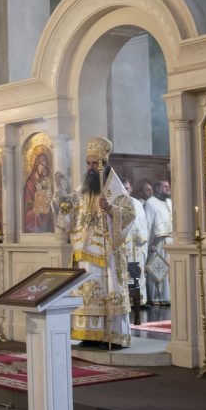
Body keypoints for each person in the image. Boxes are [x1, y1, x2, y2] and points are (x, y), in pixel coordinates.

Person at [57, 137, 135, 348]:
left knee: (108, 291)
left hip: (106, 255)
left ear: (105, 163)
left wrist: (110, 208)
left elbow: (129, 214)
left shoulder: (116, 190)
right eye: (89, 163)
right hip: (84, 254)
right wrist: (62, 199)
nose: (91, 168)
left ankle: (112, 336)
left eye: (96, 163)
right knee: (86, 293)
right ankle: (89, 335)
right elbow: (69, 210)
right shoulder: (82, 188)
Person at [145, 179, 173, 305]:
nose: (168, 188)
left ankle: (168, 296)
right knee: (158, 269)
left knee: (169, 270)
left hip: (171, 241)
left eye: (168, 186)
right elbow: (147, 224)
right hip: (157, 243)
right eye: (165, 186)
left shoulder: (169, 202)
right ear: (157, 189)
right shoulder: (150, 203)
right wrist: (149, 243)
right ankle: (157, 297)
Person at [122, 179, 149, 304]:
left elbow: (143, 222)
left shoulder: (137, 203)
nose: (125, 190)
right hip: (124, 244)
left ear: (131, 189)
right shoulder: (116, 203)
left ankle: (140, 299)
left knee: (139, 271)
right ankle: (126, 301)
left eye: (127, 188)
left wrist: (143, 238)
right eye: (123, 188)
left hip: (138, 244)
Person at [23, 151, 55, 233]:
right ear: (37, 164)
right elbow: (28, 202)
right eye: (41, 164)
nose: (43, 167)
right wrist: (37, 204)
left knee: (50, 212)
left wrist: (46, 202)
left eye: (45, 166)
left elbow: (51, 195)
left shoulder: (46, 180)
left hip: (45, 208)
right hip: (33, 209)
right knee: (33, 214)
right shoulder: (30, 182)